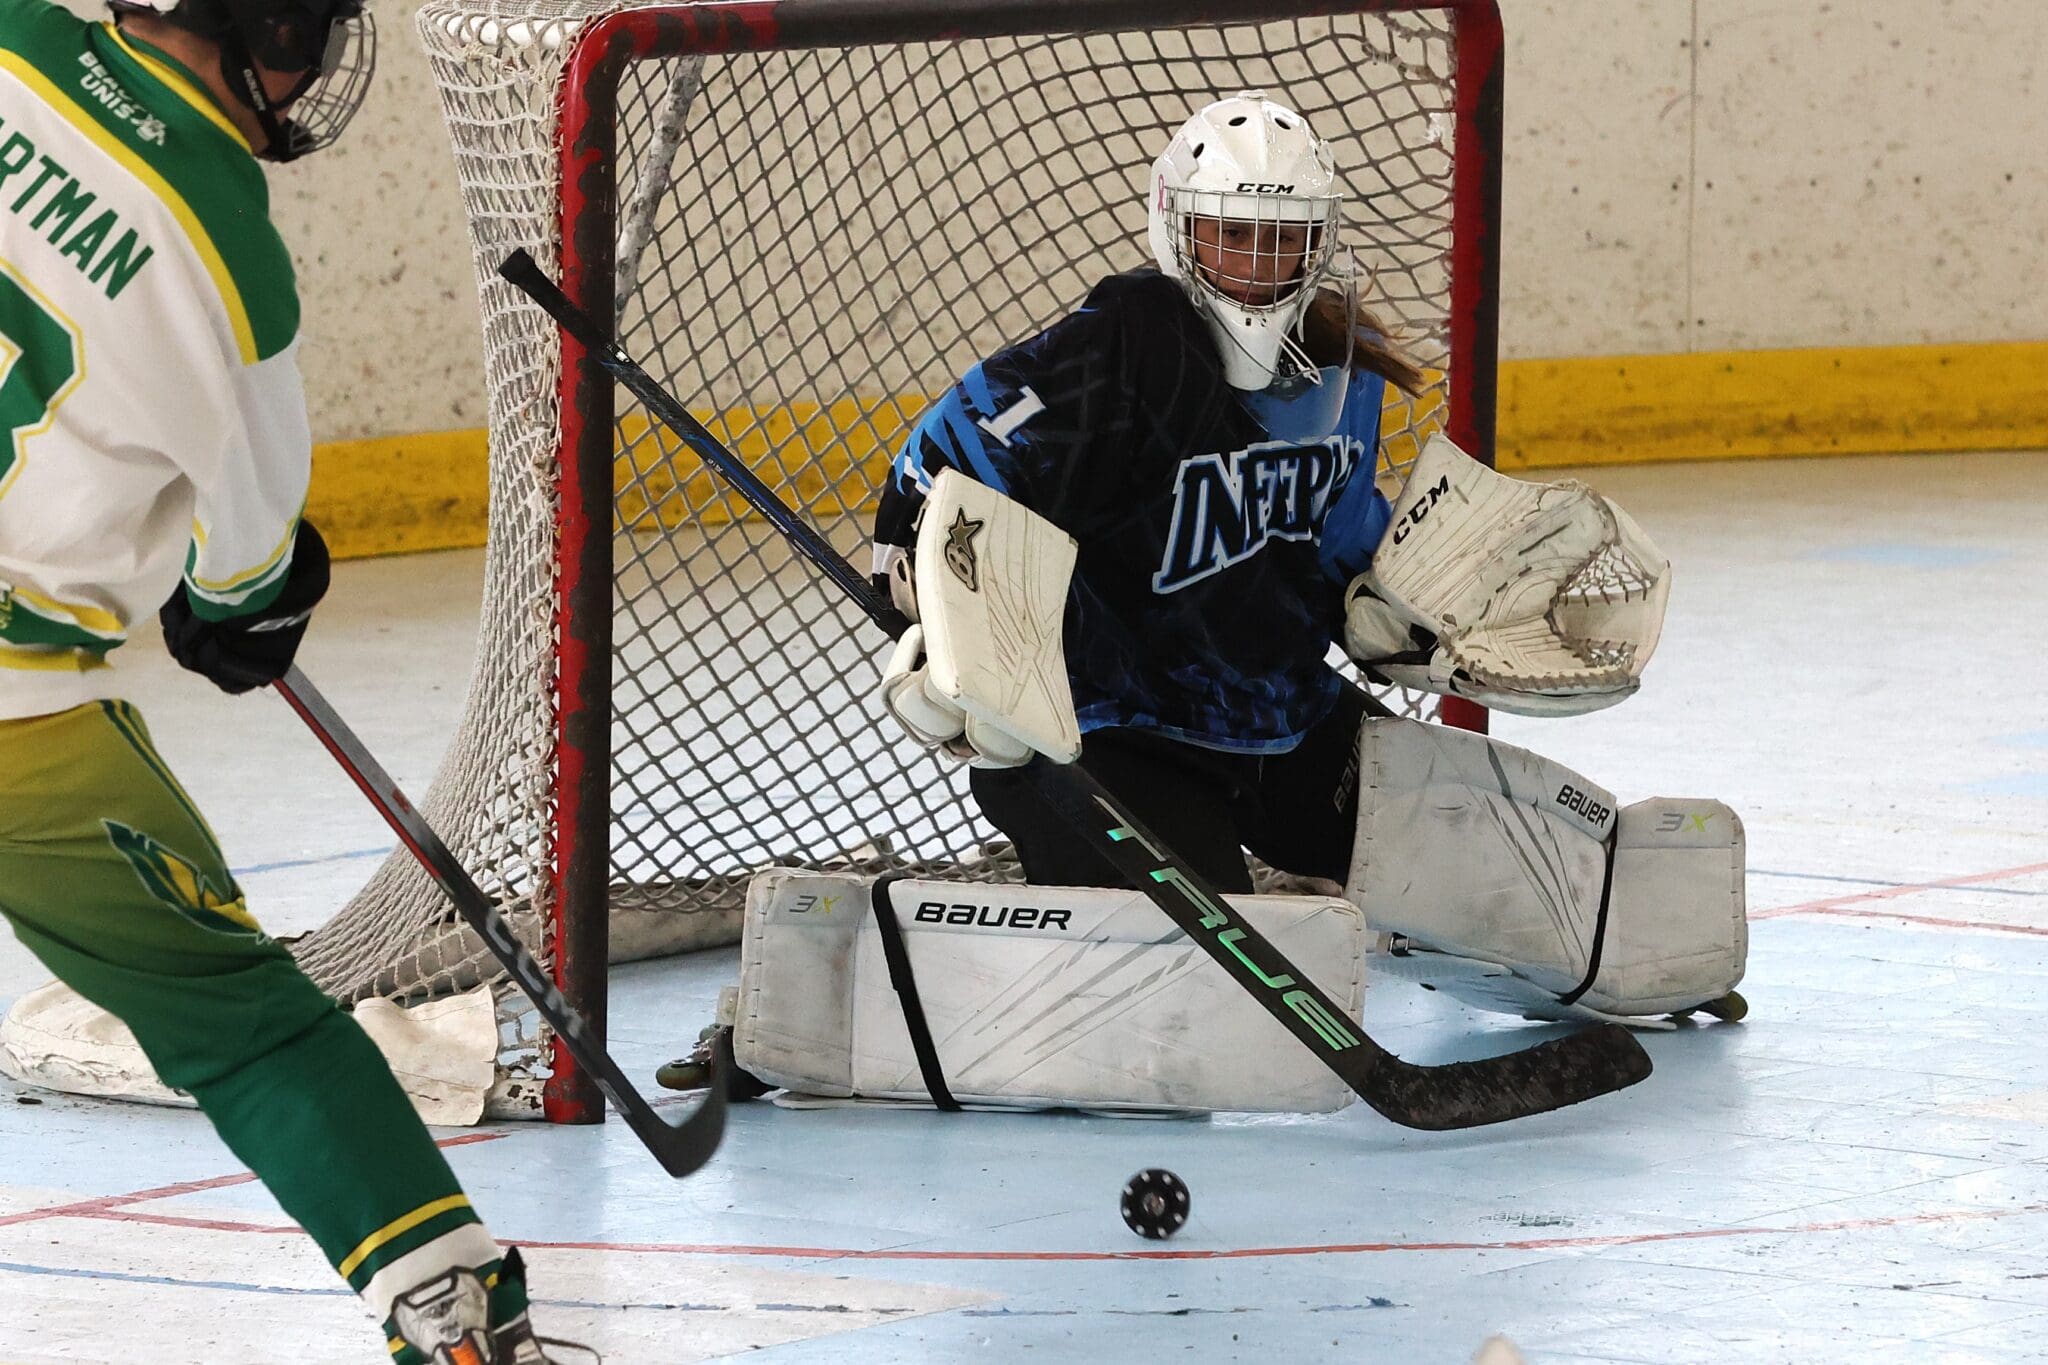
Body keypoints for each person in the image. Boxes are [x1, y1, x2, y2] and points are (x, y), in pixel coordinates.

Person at [0, 0, 585, 1357]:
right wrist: (235, 607)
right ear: (262, 31)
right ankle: (451, 1310)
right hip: (20, 729)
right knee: (249, 1029)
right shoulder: (226, 254)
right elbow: (249, 571)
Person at [873, 90, 1424, 893]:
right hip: (1108, 733)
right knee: (1214, 950)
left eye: (1283, 238)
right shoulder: (1120, 352)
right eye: (1232, 233)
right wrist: (946, 626)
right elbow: (938, 469)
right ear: (1179, 227)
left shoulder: (1344, 363)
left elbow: (1337, 538)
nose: (1257, 265)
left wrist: (1396, 601)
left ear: (1318, 242)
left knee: (1491, 856)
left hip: (1278, 715)